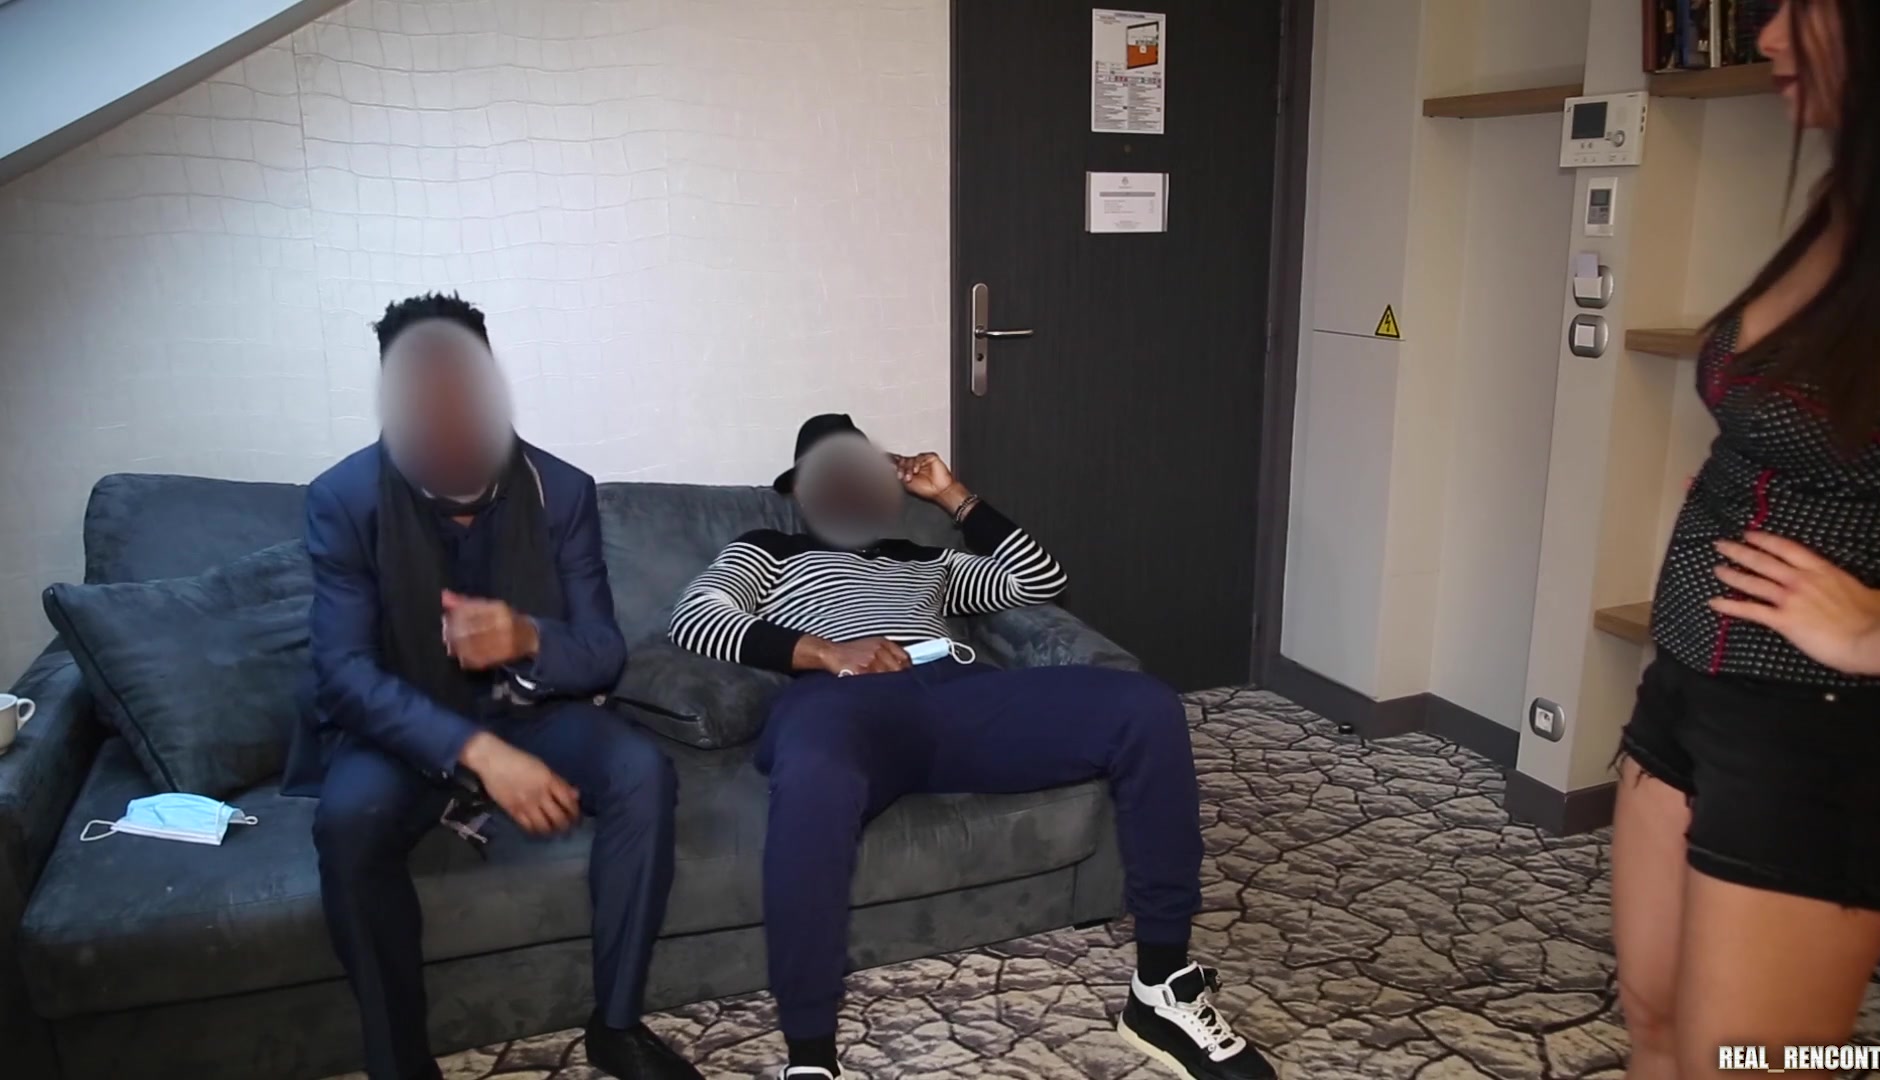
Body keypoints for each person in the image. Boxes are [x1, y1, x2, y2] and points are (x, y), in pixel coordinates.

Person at [668, 413, 1276, 1080]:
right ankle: (810, 1055)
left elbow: (1039, 580)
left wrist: (954, 496)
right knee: (812, 770)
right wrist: (828, 652)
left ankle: (1161, 989)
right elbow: (697, 616)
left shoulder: (926, 560)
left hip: (962, 695)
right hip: (845, 702)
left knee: (1146, 707)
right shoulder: (768, 550)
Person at [1611, 3, 1880, 1077]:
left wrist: (1877, 635)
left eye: (1805, 5)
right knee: (1654, 1023)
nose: (1772, 35)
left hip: (1824, 732)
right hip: (1690, 686)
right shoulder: (1855, 207)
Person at [297, 294, 699, 1080]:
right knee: (348, 822)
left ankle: (617, 1024)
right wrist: (477, 752)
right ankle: (399, 1063)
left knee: (641, 770)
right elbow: (343, 676)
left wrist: (527, 638)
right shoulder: (345, 499)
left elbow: (602, 653)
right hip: (405, 723)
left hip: (527, 710)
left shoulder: (562, 491)